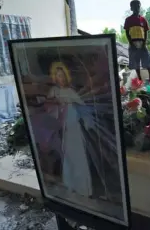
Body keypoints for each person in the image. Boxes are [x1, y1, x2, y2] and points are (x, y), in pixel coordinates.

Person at [46, 62, 93, 198]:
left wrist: (70, 106)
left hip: (73, 124)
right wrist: (57, 106)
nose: (60, 78)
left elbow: (82, 107)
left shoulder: (70, 91)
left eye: (62, 76)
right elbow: (48, 108)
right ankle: (70, 184)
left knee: (77, 153)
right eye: (57, 76)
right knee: (67, 154)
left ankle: (83, 187)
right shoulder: (53, 91)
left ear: (65, 77)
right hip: (60, 126)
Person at [124, 0, 150, 83]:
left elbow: (146, 31)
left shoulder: (143, 19)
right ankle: (139, 79)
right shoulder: (128, 19)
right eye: (134, 6)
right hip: (133, 43)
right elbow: (127, 32)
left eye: (138, 6)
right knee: (136, 62)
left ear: (140, 7)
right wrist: (131, 43)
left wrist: (144, 42)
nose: (137, 8)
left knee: (147, 59)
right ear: (131, 8)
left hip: (142, 43)